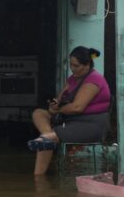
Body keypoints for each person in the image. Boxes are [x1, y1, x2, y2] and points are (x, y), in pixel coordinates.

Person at [27, 46, 111, 175]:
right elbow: (59, 100)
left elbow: (77, 107)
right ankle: (47, 137)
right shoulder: (72, 80)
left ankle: (38, 176)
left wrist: (59, 110)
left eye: (76, 66)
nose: (72, 69)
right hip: (70, 120)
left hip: (91, 125)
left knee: (50, 137)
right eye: (71, 65)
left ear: (87, 64)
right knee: (39, 113)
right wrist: (54, 105)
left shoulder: (94, 80)